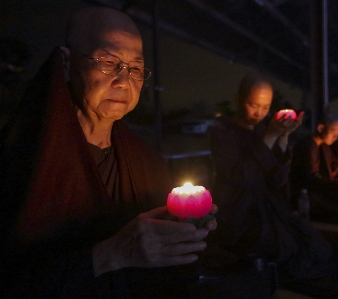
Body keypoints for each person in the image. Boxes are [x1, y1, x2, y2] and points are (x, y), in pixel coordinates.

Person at [0, 7, 216, 298]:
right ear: (66, 62)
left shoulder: (147, 161)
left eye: (135, 68)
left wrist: (184, 231)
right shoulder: (20, 157)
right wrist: (110, 255)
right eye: (108, 61)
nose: (123, 80)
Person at [207, 72, 336, 291]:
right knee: (287, 251)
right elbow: (242, 178)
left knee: (315, 244)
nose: (259, 113)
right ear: (238, 99)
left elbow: (277, 180)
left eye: (265, 108)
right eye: (253, 105)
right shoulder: (222, 131)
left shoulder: (263, 130)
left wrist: (283, 137)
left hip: (267, 206)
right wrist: (269, 137)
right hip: (239, 211)